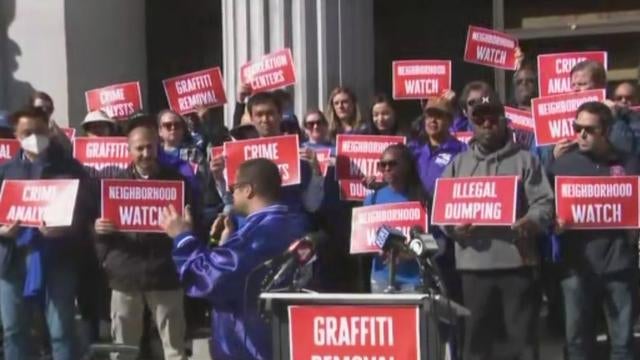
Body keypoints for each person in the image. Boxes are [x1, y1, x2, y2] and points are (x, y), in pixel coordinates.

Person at [440, 92, 555, 360]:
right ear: (472, 124)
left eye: (493, 118)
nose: (487, 124)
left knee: (522, 340)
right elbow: (443, 212)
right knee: (476, 342)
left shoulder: (526, 160)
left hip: (517, 264)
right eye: (480, 119)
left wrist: (532, 221)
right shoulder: (459, 164)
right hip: (473, 267)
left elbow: (545, 203)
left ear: (505, 121)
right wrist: (453, 229)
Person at [160, 158, 308, 359]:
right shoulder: (293, 223)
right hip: (280, 341)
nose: (231, 193)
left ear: (247, 190)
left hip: (249, 346)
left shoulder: (258, 235)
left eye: (234, 187)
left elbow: (210, 278)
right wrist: (222, 245)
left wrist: (183, 237)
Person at [0, 106, 97, 360]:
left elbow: (88, 211)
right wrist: (2, 232)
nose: (34, 137)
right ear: (16, 135)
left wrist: (67, 227)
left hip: (58, 257)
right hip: (13, 258)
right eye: (27, 132)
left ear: (50, 131)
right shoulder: (5, 171)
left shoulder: (70, 168)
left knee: (61, 331)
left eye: (40, 131)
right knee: (13, 330)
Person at [93, 119, 192, 360]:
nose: (146, 154)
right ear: (129, 151)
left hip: (165, 273)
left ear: (157, 147)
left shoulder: (177, 183)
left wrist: (187, 229)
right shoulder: (113, 185)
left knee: (174, 349)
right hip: (125, 275)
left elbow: (193, 223)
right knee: (124, 350)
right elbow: (96, 225)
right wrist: (98, 229)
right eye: (139, 148)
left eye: (150, 147)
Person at [549, 101, 639, 360]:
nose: (581, 134)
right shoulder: (562, 166)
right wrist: (554, 223)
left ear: (607, 130)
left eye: (589, 129)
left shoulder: (630, 163)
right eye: (577, 128)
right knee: (577, 343)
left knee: (622, 343)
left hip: (619, 266)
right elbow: (542, 208)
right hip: (576, 268)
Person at [210, 92, 324, 220]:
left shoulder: (299, 156)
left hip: (290, 227)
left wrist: (316, 171)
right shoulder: (241, 156)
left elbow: (312, 205)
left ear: (280, 115)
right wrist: (219, 177)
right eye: (259, 115)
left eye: (270, 113)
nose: (265, 120)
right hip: (254, 230)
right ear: (252, 119)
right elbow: (231, 202)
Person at [364, 144, 426, 292]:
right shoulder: (371, 199)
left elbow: (437, 243)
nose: (386, 168)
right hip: (381, 278)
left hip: (413, 280)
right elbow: (364, 240)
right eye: (382, 165)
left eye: (392, 164)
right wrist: (376, 250)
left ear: (406, 166)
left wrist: (411, 254)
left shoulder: (422, 199)